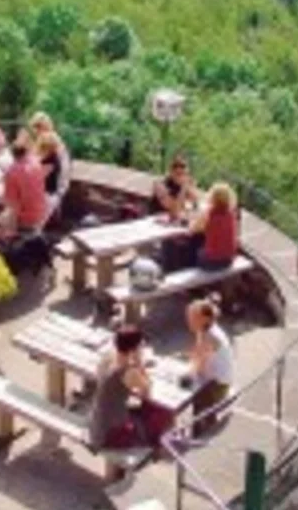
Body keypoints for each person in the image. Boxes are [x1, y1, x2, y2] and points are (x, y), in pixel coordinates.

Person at [89, 326, 175, 452]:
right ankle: (155, 448)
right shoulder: (128, 372)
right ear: (134, 349)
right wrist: (139, 362)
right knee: (161, 413)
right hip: (108, 435)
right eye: (141, 346)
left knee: (138, 411)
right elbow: (147, 393)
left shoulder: (108, 358)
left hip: (97, 424)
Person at [186, 299, 234, 436]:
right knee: (194, 385)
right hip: (212, 378)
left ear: (204, 319)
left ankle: (201, 431)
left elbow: (199, 365)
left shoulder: (211, 337)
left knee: (195, 393)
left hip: (218, 385)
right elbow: (197, 353)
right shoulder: (204, 330)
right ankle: (201, 426)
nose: (189, 321)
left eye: (193, 317)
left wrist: (188, 374)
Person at [0, 140, 48, 242]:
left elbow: (13, 205)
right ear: (26, 152)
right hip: (41, 210)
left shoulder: (12, 172)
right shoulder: (35, 164)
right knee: (0, 214)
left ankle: (8, 244)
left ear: (12, 155)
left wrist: (10, 229)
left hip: (26, 216)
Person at [189, 182, 239, 271]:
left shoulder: (209, 213)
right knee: (204, 242)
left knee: (195, 245)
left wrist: (193, 220)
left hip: (211, 263)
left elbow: (192, 229)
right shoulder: (231, 214)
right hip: (229, 260)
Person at [29, 112, 71, 199]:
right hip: (54, 184)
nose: (35, 130)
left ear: (44, 125)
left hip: (54, 187)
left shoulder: (49, 140)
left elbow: (37, 160)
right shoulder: (47, 137)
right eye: (34, 127)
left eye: (37, 126)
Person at [36, 131, 64, 223]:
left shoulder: (51, 161)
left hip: (47, 196)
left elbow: (37, 178)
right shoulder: (48, 158)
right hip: (46, 195)